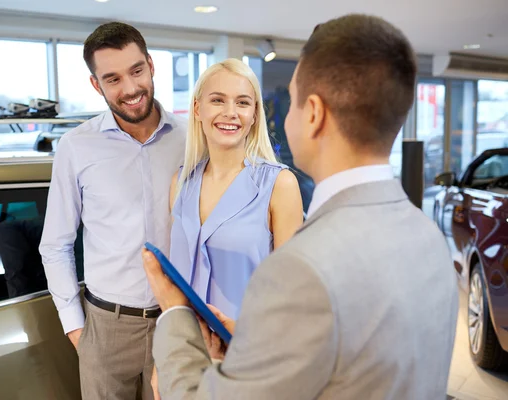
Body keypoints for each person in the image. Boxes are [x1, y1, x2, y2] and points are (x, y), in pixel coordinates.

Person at [141, 13, 459, 400]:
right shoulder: (429, 236)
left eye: (289, 101)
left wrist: (173, 320)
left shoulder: (302, 264)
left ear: (313, 113)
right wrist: (257, 343)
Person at [39, 22, 186, 400]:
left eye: (136, 71)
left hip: (178, 319)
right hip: (105, 326)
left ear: (151, 65)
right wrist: (76, 328)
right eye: (113, 78)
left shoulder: (192, 138)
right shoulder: (76, 147)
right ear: (96, 85)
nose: (130, 89)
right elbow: (55, 244)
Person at [169, 58, 304, 321]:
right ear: (197, 109)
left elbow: (291, 293)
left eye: (242, 102)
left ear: (254, 115)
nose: (231, 112)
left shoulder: (279, 185)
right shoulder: (180, 183)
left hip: (248, 351)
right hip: (183, 351)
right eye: (218, 100)